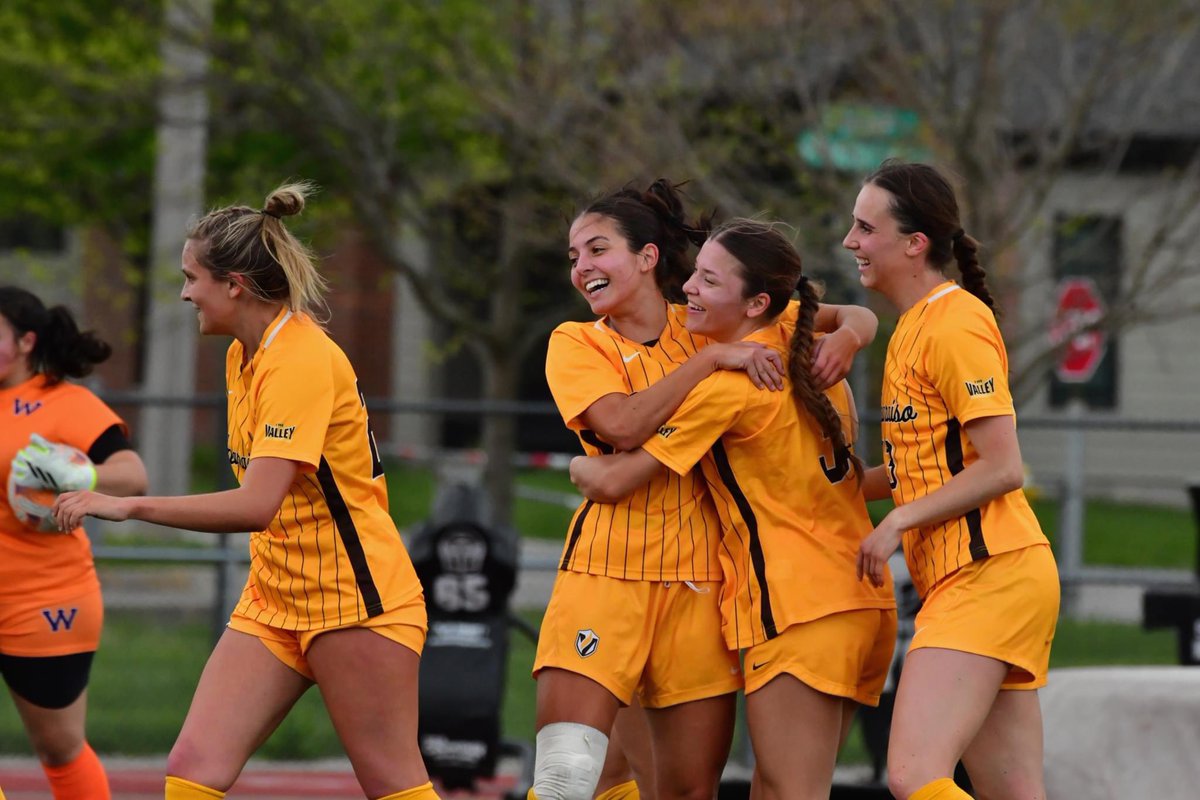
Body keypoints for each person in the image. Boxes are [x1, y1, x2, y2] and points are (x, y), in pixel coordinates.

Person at [53, 184, 439, 800]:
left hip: (356, 601)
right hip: (275, 597)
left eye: (191, 278)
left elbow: (256, 505)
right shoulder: (244, 354)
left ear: (234, 284)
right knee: (193, 770)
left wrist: (126, 505)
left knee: (392, 784)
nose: (184, 293)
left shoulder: (300, 360)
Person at [533, 181, 879, 800]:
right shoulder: (578, 342)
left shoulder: (707, 320)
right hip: (605, 575)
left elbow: (841, 314)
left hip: (702, 586)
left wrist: (849, 336)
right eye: (573, 256)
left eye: (596, 249)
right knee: (566, 777)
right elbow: (618, 423)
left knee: (685, 789)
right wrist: (711, 363)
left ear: (646, 258)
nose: (582, 266)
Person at [842, 160, 1060, 800]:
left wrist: (897, 521)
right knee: (1013, 792)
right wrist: (832, 485)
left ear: (915, 244)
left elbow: (1003, 465)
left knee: (912, 773)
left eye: (864, 226)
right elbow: (927, 465)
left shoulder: (955, 320)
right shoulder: (913, 326)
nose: (851, 240)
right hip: (985, 577)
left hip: (988, 573)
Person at [0, 286, 149, 800]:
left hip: (45, 598)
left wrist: (76, 475)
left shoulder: (67, 403)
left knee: (59, 749)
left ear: (25, 342)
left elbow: (133, 477)